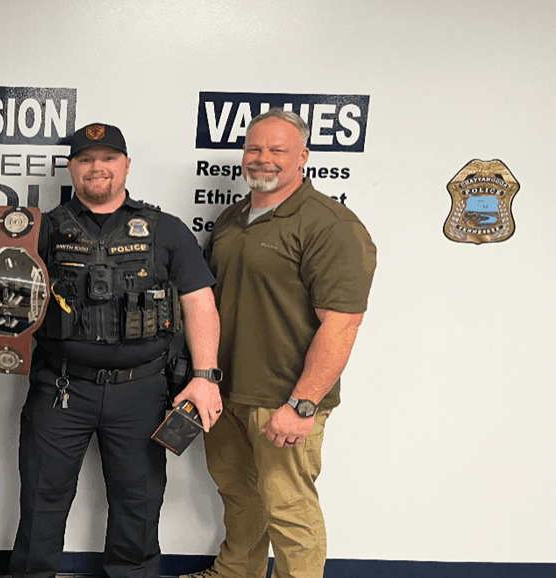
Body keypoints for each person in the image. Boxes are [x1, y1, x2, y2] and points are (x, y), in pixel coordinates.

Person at [9, 123, 223, 578]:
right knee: (43, 499)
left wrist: (205, 378)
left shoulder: (165, 229)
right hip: (60, 388)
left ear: (126, 164)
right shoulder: (40, 230)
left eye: (108, 158)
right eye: (86, 159)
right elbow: (1, 292)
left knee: (139, 502)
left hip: (142, 390)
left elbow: (199, 302)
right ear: (70, 168)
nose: (97, 168)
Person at [185, 109, 376, 578]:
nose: (262, 159)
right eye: (254, 149)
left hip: (283, 400)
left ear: (303, 157)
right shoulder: (232, 219)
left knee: (289, 511)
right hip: (226, 392)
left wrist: (304, 403)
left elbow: (343, 324)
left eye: (277, 150)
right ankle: (236, 573)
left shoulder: (331, 224)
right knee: (239, 497)